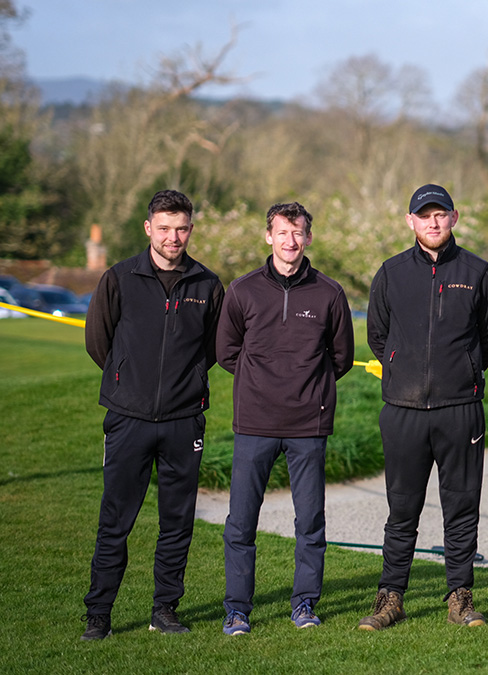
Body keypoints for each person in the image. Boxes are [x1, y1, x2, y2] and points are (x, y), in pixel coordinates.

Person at [81, 189, 225, 640]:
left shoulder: (207, 284)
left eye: (181, 228)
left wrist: (185, 383)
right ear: (149, 229)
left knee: (177, 521)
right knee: (115, 520)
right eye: (164, 228)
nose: (173, 237)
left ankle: (165, 609)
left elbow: (214, 348)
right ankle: (99, 613)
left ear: (190, 230)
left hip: (184, 421)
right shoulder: (119, 278)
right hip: (129, 419)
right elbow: (98, 342)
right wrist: (128, 382)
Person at [358, 184, 488, 630]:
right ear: (411, 222)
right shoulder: (391, 272)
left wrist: (465, 369)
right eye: (425, 216)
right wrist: (402, 370)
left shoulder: (478, 273)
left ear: (455, 218)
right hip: (402, 409)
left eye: (441, 215)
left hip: (460, 409)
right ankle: (391, 597)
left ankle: (460, 596)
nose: (434, 223)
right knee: (402, 507)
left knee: (461, 506)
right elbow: (378, 337)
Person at [216, 202, 355, 636]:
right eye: (282, 232)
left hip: (307, 427)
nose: (290, 241)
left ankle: (305, 603)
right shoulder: (242, 291)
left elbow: (342, 357)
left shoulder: (329, 293)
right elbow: (226, 352)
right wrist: (265, 383)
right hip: (254, 424)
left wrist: (304, 386)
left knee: (310, 521)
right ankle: (237, 609)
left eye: (297, 233)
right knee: (241, 521)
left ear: (308, 238)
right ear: (268, 236)